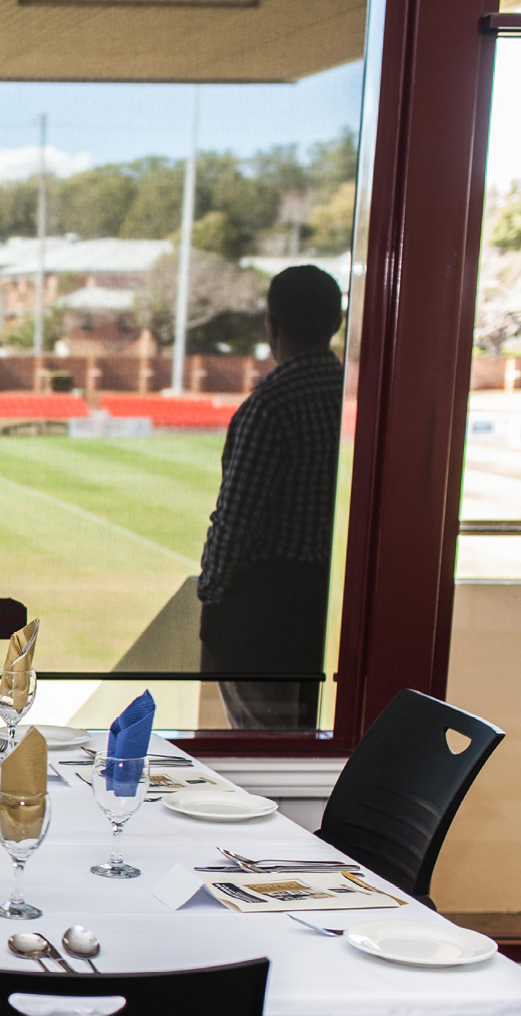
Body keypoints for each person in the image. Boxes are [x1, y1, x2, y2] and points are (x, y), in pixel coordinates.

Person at [198, 265, 344, 730]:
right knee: (306, 737)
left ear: (272, 324)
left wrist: (210, 593)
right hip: (326, 604)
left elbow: (237, 520)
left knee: (262, 745)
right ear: (336, 321)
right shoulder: (351, 394)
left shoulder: (272, 404)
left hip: (265, 612)